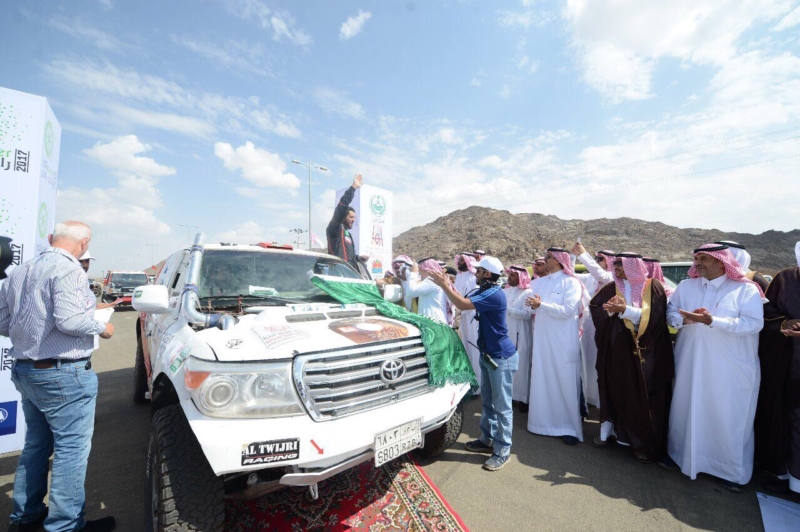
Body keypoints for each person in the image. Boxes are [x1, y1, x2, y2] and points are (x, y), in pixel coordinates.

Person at [0, 221, 116, 531]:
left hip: (26, 370)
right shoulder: (69, 270)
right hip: (62, 374)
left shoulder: (20, 271)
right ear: (84, 244)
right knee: (71, 450)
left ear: (52, 238)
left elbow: (2, 322)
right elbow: (70, 321)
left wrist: (31, 331)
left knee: (36, 445)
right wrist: (103, 327)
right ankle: (65, 525)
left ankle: (25, 518)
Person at [663, 243, 765, 492]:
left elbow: (753, 324)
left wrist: (713, 320)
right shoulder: (686, 286)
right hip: (690, 362)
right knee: (686, 407)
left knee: (726, 414)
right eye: (696, 258)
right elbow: (670, 313)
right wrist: (684, 319)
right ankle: (680, 455)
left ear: (722, 262)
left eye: (704, 259)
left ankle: (729, 471)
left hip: (728, 368)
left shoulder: (745, 290)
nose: (697, 263)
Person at [430, 256, 518, 471]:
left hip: (500, 357)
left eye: (478, 271)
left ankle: (502, 450)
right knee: (487, 402)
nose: (475, 273)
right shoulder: (485, 290)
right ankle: (486, 439)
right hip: (489, 355)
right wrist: (447, 284)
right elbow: (462, 298)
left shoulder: (493, 293)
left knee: (502, 407)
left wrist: (443, 285)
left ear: (487, 274)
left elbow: (462, 304)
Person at [590, 253, 675, 463]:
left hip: (643, 353)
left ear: (634, 266)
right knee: (614, 390)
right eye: (615, 264)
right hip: (616, 352)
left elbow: (656, 318)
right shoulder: (611, 288)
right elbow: (595, 307)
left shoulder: (652, 287)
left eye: (621, 264)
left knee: (639, 396)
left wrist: (625, 310)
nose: (616, 267)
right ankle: (609, 434)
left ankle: (640, 443)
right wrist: (610, 311)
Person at [525, 247, 588, 445]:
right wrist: (532, 305)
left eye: (548, 257)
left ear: (559, 260)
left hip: (563, 341)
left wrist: (541, 305)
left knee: (564, 381)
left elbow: (568, 310)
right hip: (543, 340)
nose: (545, 260)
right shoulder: (540, 282)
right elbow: (531, 306)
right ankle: (540, 424)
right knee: (543, 378)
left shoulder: (571, 282)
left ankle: (568, 427)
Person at [754, 241, 800, 493]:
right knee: (782, 416)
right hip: (784, 361)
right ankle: (785, 475)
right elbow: (766, 313)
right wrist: (786, 323)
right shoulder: (785, 279)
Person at [571, 243, 615, 409]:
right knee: (587, 359)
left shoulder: (610, 277)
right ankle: (587, 396)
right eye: (595, 258)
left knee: (599, 359)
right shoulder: (589, 277)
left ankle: (599, 398)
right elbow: (571, 274)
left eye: (600, 259)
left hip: (603, 323)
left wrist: (583, 254)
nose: (596, 261)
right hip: (587, 324)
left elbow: (601, 275)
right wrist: (573, 257)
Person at [503, 266, 534, 413]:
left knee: (522, 366)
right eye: (509, 274)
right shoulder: (505, 291)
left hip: (520, 334)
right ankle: (510, 396)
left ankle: (523, 399)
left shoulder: (528, 293)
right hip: (506, 333)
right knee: (507, 367)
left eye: (513, 275)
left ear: (521, 277)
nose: (509, 277)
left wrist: (507, 309)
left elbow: (527, 315)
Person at [326, 174, 369, 278]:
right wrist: (353, 188)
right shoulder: (335, 229)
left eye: (354, 218)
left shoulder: (348, 234)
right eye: (351, 217)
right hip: (338, 275)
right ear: (343, 217)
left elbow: (348, 258)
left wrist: (358, 258)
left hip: (350, 276)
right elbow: (340, 209)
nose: (354, 220)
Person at [454, 252, 481, 394]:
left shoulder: (473, 277)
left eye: (462, 260)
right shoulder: (459, 276)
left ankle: (477, 386)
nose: (459, 262)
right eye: (458, 259)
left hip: (471, 317)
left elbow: (473, 299)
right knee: (463, 348)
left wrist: (461, 309)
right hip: (460, 317)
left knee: (473, 349)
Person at [405, 258, 452, 325]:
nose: (419, 273)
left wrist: (413, 273)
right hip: (433, 323)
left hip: (435, 324)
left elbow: (410, 292)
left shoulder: (432, 280)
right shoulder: (433, 280)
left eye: (419, 270)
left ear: (425, 269)